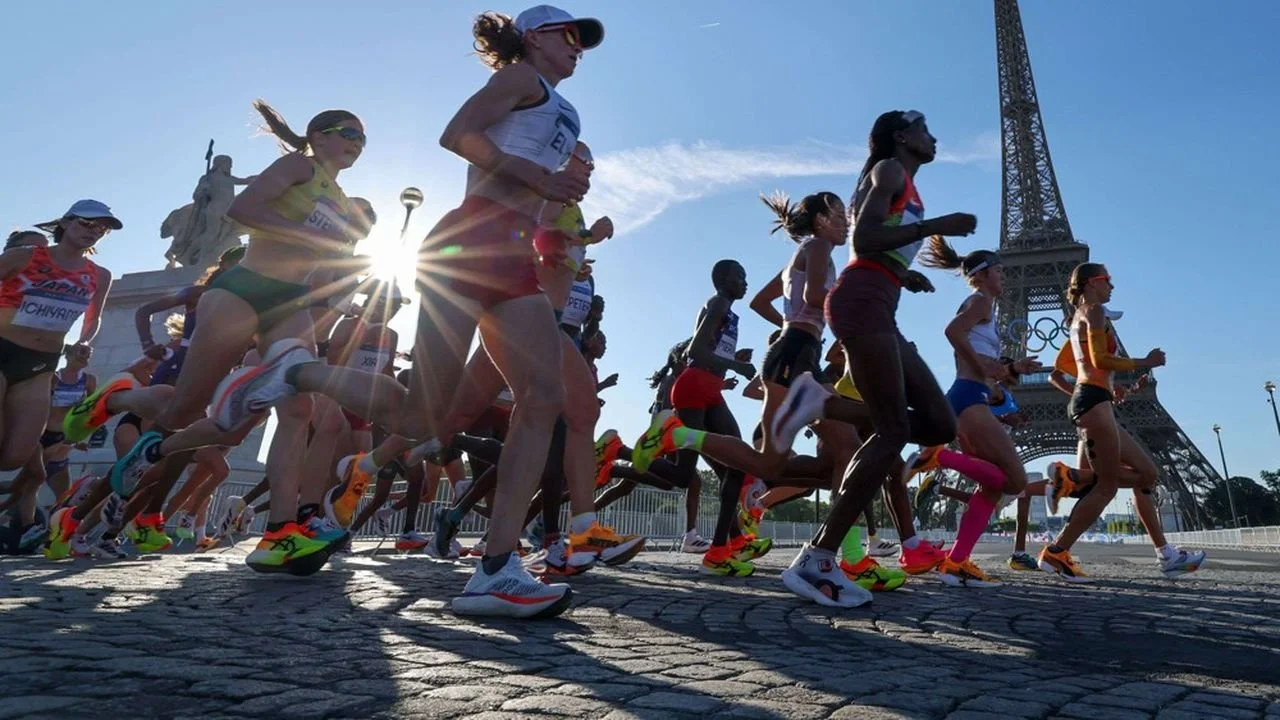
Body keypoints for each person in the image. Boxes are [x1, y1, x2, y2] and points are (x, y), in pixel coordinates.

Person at [383, 5, 604, 617]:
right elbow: (458, 136)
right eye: (569, 35)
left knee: (544, 398)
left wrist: (557, 202)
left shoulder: (563, 107)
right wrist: (537, 177)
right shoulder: (519, 79)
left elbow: (536, 182)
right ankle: (295, 376)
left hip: (512, 252)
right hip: (471, 240)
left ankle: (496, 566)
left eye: (583, 41)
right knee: (421, 417)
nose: (578, 47)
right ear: (534, 37)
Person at [770, 110, 976, 607]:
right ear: (902, 137)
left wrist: (903, 274)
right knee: (893, 432)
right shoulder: (889, 171)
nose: (935, 135)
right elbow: (862, 239)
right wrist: (938, 226)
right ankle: (818, 560)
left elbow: (868, 248)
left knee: (938, 423)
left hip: (876, 302)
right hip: (861, 305)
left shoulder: (896, 178)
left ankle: (821, 404)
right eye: (925, 127)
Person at [1037, 265, 1203, 581]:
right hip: (1092, 404)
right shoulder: (1095, 311)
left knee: (1148, 474)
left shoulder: (1079, 317)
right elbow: (1099, 361)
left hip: (1096, 400)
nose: (1111, 285)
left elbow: (1079, 367)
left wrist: (1107, 387)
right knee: (1107, 486)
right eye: (1105, 280)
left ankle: (1072, 478)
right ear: (1087, 284)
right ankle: (1057, 551)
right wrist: (1146, 361)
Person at [911, 237, 1039, 586]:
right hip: (969, 396)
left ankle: (957, 561)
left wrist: (1011, 369)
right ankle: (940, 457)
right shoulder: (981, 300)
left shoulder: (984, 307)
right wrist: (984, 365)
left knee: (993, 488)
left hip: (970, 396)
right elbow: (951, 333)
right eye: (999, 271)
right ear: (982, 275)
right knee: (1016, 481)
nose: (1004, 277)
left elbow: (980, 359)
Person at [0, 200, 114, 474]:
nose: (93, 230)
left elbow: (93, 319)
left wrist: (83, 342)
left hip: (41, 365)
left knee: (14, 457)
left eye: (101, 228)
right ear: (65, 223)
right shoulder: (24, 256)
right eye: (86, 223)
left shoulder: (99, 275)